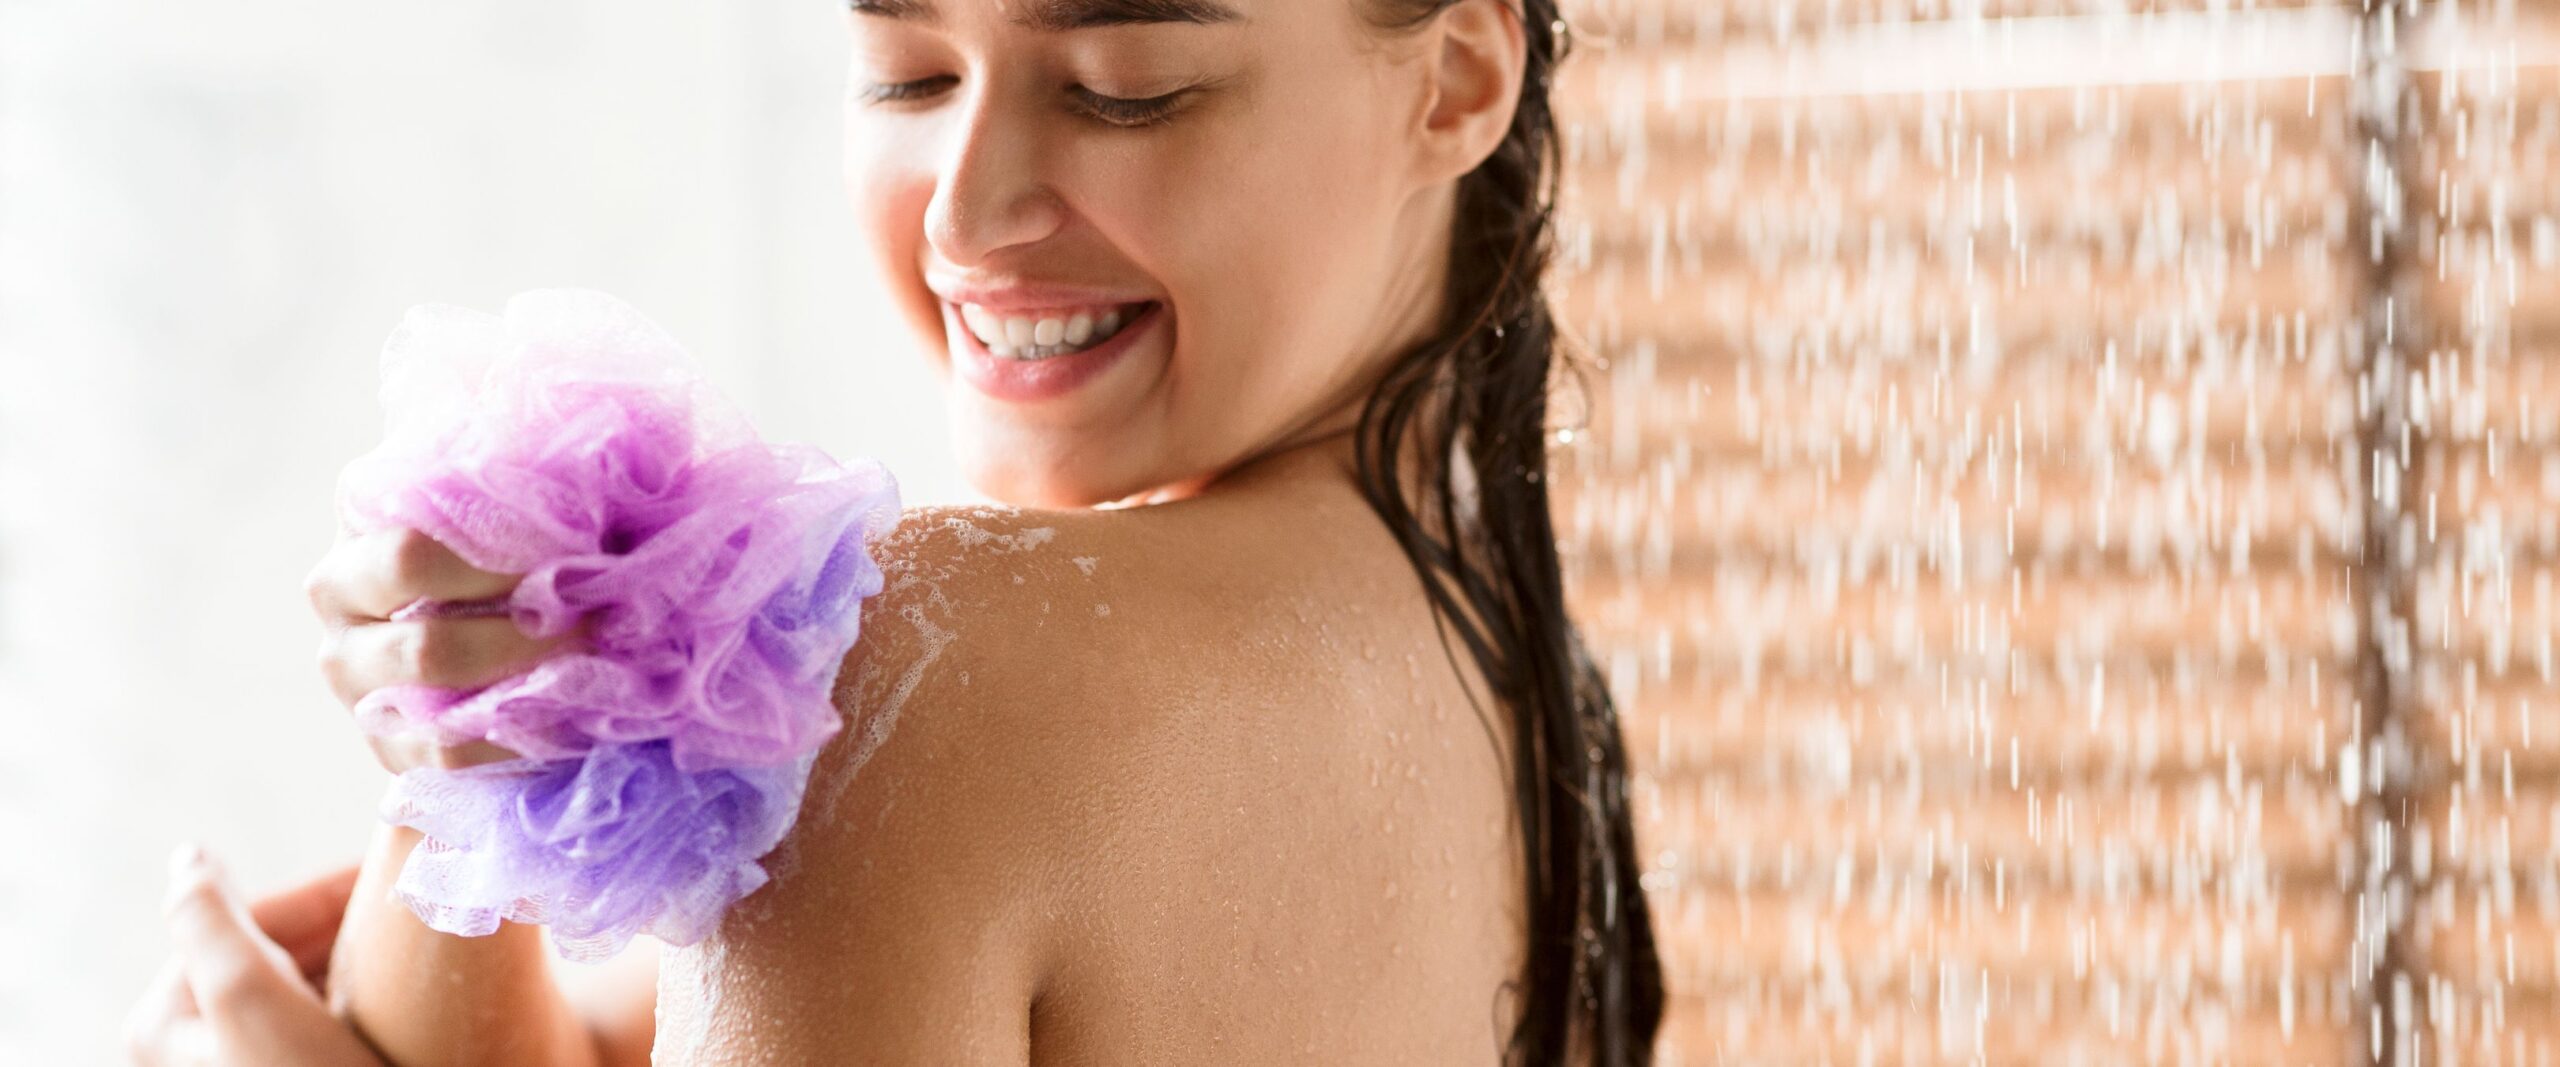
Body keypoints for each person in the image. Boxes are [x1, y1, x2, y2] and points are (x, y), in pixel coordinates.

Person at [122, 0, 1662, 1062]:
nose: (967, 215)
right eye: (909, 73)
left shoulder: (926, 674)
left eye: (1124, 82)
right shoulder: (1521, 685)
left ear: (1458, 81)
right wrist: (495, 720)